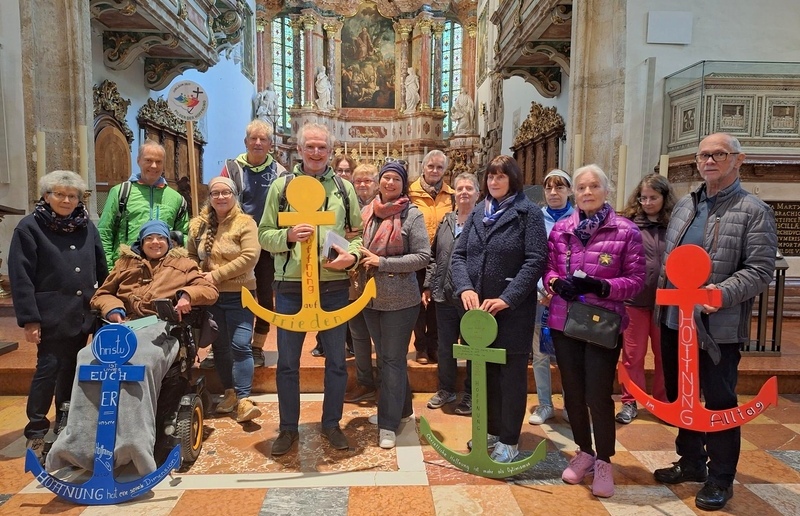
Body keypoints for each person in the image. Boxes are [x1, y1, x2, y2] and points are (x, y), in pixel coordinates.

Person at [653, 133, 777, 511]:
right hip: (675, 321)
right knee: (682, 396)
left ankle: (721, 478)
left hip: (716, 328)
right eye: (704, 155)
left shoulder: (753, 210)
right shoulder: (685, 205)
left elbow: (760, 269)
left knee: (720, 401)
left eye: (718, 154)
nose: (709, 161)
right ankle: (691, 461)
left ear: (738, 159)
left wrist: (720, 294)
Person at [47, 220, 218, 475]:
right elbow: (101, 294)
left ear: (169, 242)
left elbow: (209, 289)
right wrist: (113, 307)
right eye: (149, 239)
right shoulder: (125, 264)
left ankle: (134, 444)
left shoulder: (183, 265)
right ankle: (78, 444)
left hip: (162, 327)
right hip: (124, 325)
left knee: (139, 361)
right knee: (86, 357)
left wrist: (186, 295)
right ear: (142, 242)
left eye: (160, 238)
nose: (155, 243)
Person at [258, 123, 364, 456]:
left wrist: (353, 255)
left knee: (335, 361)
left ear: (331, 151)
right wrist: (287, 237)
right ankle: (288, 428)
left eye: (323, 148)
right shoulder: (280, 187)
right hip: (290, 286)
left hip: (332, 287)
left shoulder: (344, 188)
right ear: (299, 150)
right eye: (311, 147)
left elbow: (357, 234)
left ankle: (331, 424)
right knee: (288, 362)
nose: (317, 153)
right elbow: (264, 235)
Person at [544, 164, 645, 498]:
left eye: (594, 187)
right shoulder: (561, 228)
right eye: (582, 188)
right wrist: (557, 283)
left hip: (603, 323)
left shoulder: (626, 231)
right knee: (572, 392)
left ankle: (604, 460)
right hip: (565, 320)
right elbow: (548, 269)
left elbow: (636, 280)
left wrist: (604, 287)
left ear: (606, 190)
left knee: (598, 395)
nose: (587, 193)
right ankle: (583, 451)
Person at [451, 155, 547, 463]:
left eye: (500, 176)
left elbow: (536, 260)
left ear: (513, 179)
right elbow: (459, 256)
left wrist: (508, 297)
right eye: (490, 177)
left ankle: (509, 439)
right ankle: (490, 429)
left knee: (510, 377)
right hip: (478, 311)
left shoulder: (528, 213)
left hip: (511, 312)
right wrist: (465, 287)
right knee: (485, 374)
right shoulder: (479, 212)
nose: (494, 182)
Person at [9, 170, 108, 457]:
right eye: (60, 194)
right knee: (48, 370)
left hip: (81, 313)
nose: (66, 200)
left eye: (72, 195)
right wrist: (30, 319)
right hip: (50, 314)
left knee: (72, 370)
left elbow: (100, 267)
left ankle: (65, 421)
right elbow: (21, 276)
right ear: (46, 196)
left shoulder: (86, 226)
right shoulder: (29, 228)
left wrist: (108, 300)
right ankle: (36, 430)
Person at [359, 162, 430, 449]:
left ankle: (388, 424)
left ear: (403, 184)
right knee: (389, 360)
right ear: (379, 181)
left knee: (391, 360)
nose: (390, 183)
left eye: (395, 179)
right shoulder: (367, 212)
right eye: (385, 177)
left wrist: (382, 261)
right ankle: (400, 410)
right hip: (369, 298)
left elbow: (423, 256)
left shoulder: (412, 215)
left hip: (401, 300)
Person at [188, 177, 262, 423]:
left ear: (234, 196)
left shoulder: (245, 223)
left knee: (240, 344)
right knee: (219, 346)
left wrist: (215, 275)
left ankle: (244, 399)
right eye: (215, 193)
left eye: (225, 193)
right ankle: (229, 393)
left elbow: (250, 257)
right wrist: (196, 276)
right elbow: (190, 255)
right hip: (210, 296)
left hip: (239, 292)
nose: (220, 197)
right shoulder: (198, 226)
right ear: (209, 197)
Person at [218, 119, 287, 368]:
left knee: (266, 297)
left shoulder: (281, 173)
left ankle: (257, 346)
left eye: (263, 139)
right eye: (253, 139)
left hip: (267, 246)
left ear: (270, 144)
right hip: (234, 244)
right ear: (245, 141)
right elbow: (219, 199)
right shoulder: (231, 167)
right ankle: (225, 345)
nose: (258, 143)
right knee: (231, 294)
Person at [615, 173, 675, 424]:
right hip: (635, 301)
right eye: (643, 198)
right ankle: (630, 401)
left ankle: (663, 403)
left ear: (664, 198)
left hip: (667, 301)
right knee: (633, 355)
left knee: (665, 355)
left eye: (653, 198)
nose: (648, 202)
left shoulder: (675, 224)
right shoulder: (627, 223)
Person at [424, 172, 480, 415]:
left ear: (478, 193)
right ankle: (446, 388)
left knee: (471, 348)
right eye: (460, 188)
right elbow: (434, 257)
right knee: (445, 346)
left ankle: (471, 393)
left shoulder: (484, 222)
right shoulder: (446, 220)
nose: (464, 192)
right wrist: (428, 285)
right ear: (454, 193)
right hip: (444, 295)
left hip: (471, 297)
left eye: (469, 188)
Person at [528, 169, 574, 425]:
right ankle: (545, 404)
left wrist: (562, 289)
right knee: (540, 353)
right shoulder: (536, 218)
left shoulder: (579, 219)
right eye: (548, 188)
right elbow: (532, 256)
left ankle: (570, 403)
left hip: (568, 298)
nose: (554, 193)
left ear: (569, 190)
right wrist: (541, 289)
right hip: (540, 296)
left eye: (559, 187)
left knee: (568, 353)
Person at [98, 139, 188, 266]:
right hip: (127, 266)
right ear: (138, 160)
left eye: (158, 162)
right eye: (148, 160)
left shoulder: (176, 198)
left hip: (165, 269)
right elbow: (104, 231)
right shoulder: (121, 192)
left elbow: (184, 235)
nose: (154, 166)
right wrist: (109, 269)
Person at [310, 155, 359, 357]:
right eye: (340, 170)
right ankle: (322, 343)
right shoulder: (326, 191)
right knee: (321, 303)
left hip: (348, 257)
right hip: (324, 255)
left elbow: (356, 229)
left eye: (348, 171)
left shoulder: (349, 194)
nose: (344, 174)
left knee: (346, 305)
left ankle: (350, 342)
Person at [409, 150, 455, 364]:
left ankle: (434, 344)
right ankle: (420, 347)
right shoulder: (410, 192)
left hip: (441, 256)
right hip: (416, 255)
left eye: (439, 167)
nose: (435, 171)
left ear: (444, 170)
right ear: (423, 167)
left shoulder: (451, 195)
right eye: (431, 166)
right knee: (418, 303)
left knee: (438, 301)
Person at [344, 163, 381, 403]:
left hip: (377, 279)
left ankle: (388, 384)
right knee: (357, 333)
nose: (363, 185)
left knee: (380, 336)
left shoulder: (383, 206)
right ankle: (364, 381)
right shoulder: (345, 205)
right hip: (350, 278)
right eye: (359, 181)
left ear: (376, 184)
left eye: (368, 180)